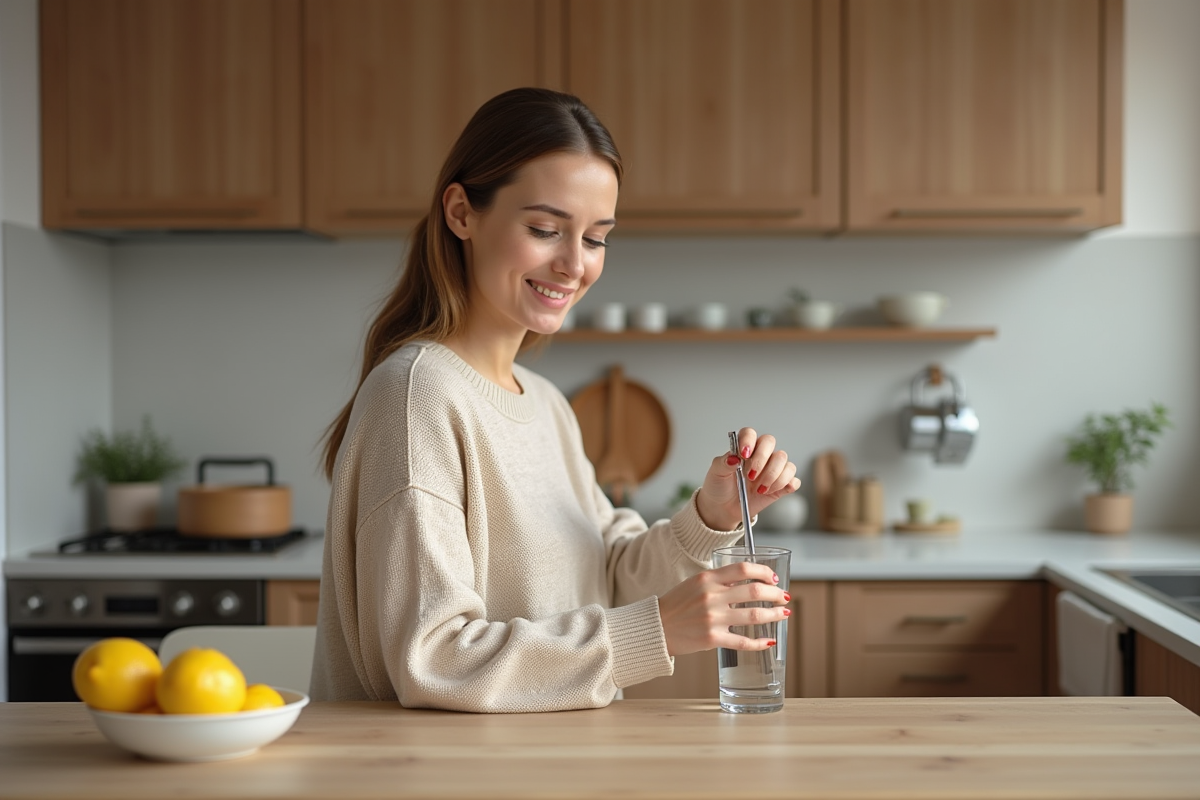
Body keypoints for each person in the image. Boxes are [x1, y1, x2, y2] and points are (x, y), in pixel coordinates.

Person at [310, 87, 801, 712]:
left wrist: (712, 515)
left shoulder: (544, 404)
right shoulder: (418, 395)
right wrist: (660, 630)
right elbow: (433, 659)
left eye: (596, 238)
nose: (574, 264)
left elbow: (611, 577)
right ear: (461, 212)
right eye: (545, 229)